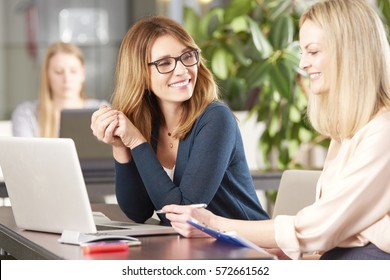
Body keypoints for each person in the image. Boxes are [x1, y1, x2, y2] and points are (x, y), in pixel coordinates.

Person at [163, 0, 390, 260]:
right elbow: (331, 229)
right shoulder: (349, 132)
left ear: (350, 53)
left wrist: (214, 223)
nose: (302, 63)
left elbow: (321, 227)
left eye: (313, 52)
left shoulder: (383, 132)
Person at [90, 16, 269, 225]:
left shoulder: (216, 118)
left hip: (245, 249)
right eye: (164, 63)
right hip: (192, 250)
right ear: (141, 75)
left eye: (187, 56)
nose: (182, 70)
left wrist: (136, 143)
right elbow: (138, 211)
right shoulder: (149, 124)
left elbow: (182, 213)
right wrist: (120, 146)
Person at [12, 42, 107, 137]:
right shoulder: (26, 114)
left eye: (73, 71)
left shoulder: (103, 111)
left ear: (83, 73)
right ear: (47, 75)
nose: (67, 79)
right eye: (58, 72)